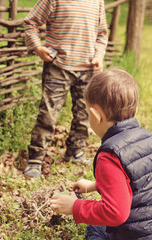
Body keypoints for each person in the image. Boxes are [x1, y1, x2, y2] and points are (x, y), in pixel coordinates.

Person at [50, 68, 152, 240]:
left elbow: (116, 213)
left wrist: (75, 206)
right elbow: (138, 183)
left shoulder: (110, 156)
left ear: (95, 116)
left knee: (96, 224)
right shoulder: (147, 138)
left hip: (133, 234)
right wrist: (93, 186)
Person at [23, 0, 108, 178]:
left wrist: (99, 55)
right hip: (58, 68)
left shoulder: (97, 1)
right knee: (48, 114)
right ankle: (36, 158)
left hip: (87, 69)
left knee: (85, 114)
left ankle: (75, 151)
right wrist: (38, 47)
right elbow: (30, 22)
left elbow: (101, 34)